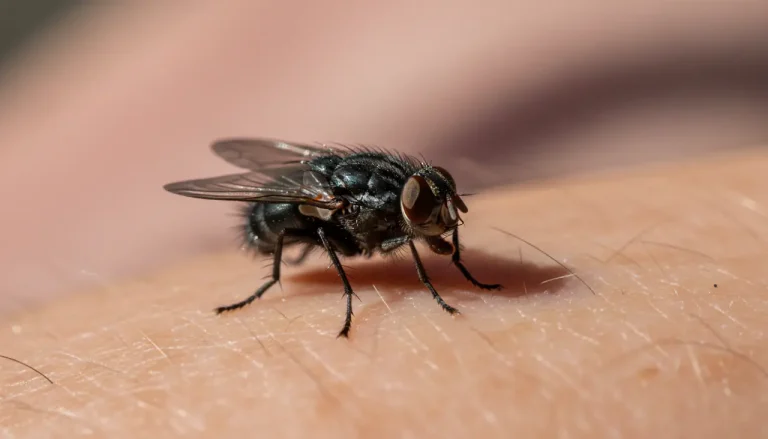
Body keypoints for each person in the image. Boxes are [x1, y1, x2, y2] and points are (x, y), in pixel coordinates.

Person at [1, 3, 767, 437]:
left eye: (439, 198)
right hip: (290, 208)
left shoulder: (408, 193)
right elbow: (308, 204)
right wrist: (350, 294)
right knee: (299, 223)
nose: (445, 214)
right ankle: (274, 285)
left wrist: (450, 262)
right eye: (433, 204)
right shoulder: (354, 210)